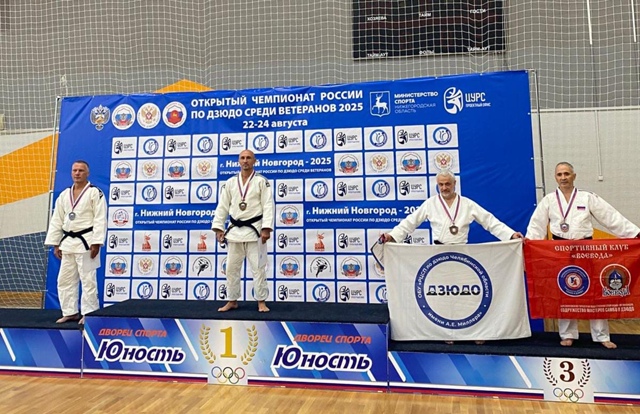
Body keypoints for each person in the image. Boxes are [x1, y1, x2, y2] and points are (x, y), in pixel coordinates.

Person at [380, 169, 523, 344]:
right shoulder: (430, 204)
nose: (444, 187)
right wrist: (392, 236)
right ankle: (448, 333)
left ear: (455, 184)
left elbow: (490, 221)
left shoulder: (467, 204)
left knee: (469, 295)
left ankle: (476, 332)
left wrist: (510, 235)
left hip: (463, 255)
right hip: (439, 255)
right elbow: (409, 223)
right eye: (441, 184)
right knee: (442, 296)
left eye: (447, 184)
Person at [526, 162, 640, 349]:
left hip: (586, 249)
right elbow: (536, 225)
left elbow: (610, 217)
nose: (563, 177)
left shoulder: (587, 197)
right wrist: (530, 243)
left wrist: (635, 234)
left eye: (566, 174)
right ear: (555, 177)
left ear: (574, 176)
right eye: (559, 174)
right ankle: (568, 334)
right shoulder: (548, 200)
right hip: (559, 250)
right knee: (565, 291)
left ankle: (601, 335)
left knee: (594, 291)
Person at [44, 160, 107, 324]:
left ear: (87, 173)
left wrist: (97, 242)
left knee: (88, 280)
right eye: (74, 170)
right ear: (71, 173)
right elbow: (57, 219)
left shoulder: (95, 193)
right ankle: (70, 312)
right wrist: (56, 243)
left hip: (86, 242)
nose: (77, 173)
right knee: (64, 280)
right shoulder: (64, 194)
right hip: (67, 243)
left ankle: (89, 313)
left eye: (81, 170)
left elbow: (100, 218)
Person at [212, 150, 274, 312]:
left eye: (248, 158)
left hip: (255, 231)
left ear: (254, 161)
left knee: (258, 268)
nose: (245, 160)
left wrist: (266, 228)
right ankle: (232, 300)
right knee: (231, 269)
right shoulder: (231, 182)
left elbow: (268, 205)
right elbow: (222, 206)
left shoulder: (262, 181)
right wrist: (219, 228)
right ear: (238, 161)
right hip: (234, 232)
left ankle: (261, 301)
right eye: (242, 158)